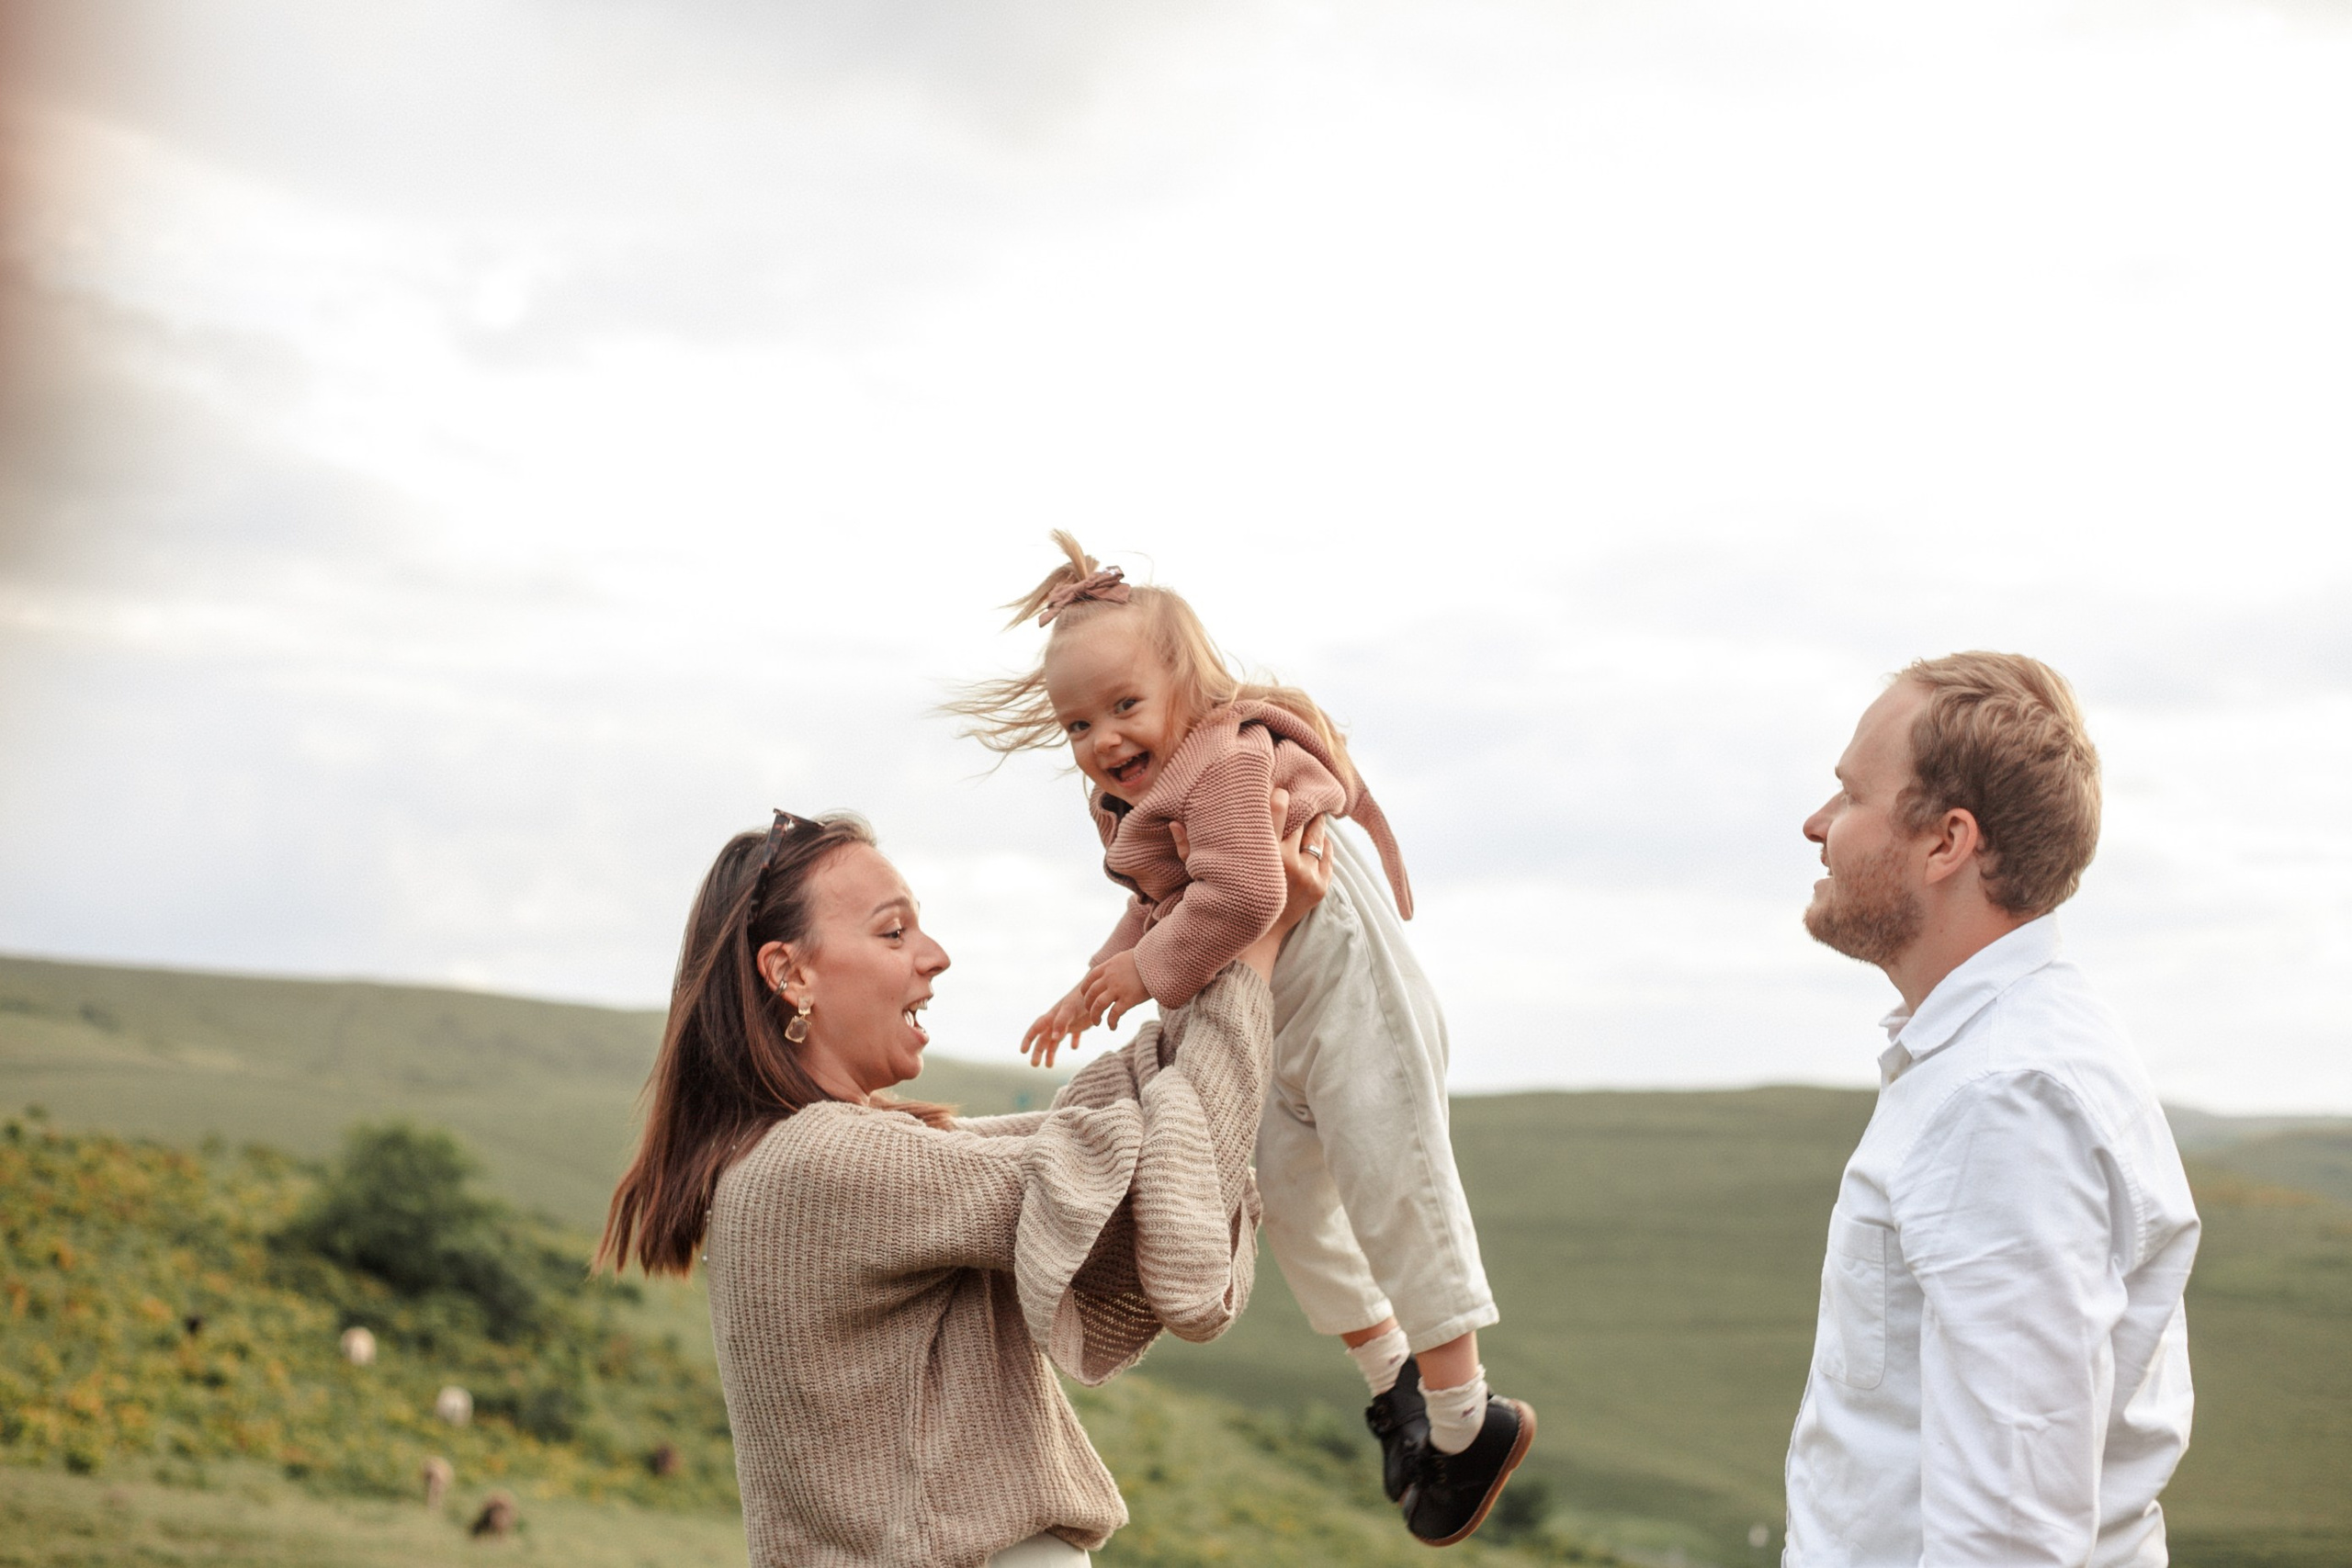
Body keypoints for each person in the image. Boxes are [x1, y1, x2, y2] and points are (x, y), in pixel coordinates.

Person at [948, 533, 1534, 1547]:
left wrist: (1142, 973)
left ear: (1185, 686)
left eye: (1123, 705)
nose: (1102, 737)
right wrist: (1100, 977)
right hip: (1265, 990)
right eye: (1078, 722)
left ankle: (1464, 1419)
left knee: (1391, 1171)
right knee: (1285, 1198)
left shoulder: (1223, 759)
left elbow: (1249, 891)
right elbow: (1159, 899)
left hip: (1339, 974)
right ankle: (1394, 1384)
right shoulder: (1126, 795)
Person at [596, 798, 1330, 1568]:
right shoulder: (824, 1164)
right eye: (893, 931)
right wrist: (1255, 940)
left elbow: (1099, 1131)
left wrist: (1199, 921)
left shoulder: (798, 1160)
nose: (936, 954)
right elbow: (1150, 1184)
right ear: (791, 972)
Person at [1785, 652, 2200, 1568]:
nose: (1816, 825)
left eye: (1850, 794)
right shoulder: (1999, 1057)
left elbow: (2009, 1536)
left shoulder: (2003, 1097)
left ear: (1947, 842)